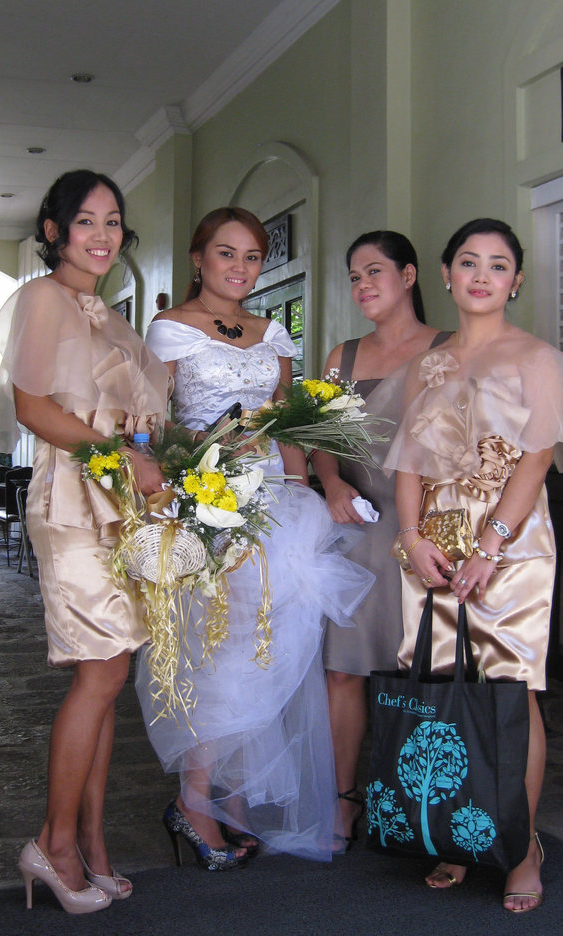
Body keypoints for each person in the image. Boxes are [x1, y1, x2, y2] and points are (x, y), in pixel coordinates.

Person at [385, 218, 563, 913]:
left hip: (509, 540)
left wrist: (490, 548)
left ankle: (521, 847)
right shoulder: (427, 364)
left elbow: (537, 460)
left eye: (498, 265)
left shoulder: (535, 359)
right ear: (446, 274)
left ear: (516, 281)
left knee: (512, 689)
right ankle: (459, 834)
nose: (482, 275)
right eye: (468, 261)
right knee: (443, 681)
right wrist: (410, 538)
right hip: (433, 538)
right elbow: (408, 460)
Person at [135, 207, 373, 868]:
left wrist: (300, 493)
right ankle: (194, 798)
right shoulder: (169, 330)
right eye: (226, 253)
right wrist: (202, 459)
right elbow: (155, 425)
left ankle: (234, 798)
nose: (240, 268)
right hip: (209, 499)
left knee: (267, 647)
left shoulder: (273, 333)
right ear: (198, 258)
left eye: (251, 257)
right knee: (217, 647)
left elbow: (287, 426)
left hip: (275, 503)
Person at [0, 170, 169, 913]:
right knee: (97, 672)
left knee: (111, 673)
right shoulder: (42, 298)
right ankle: (53, 844)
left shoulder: (114, 317)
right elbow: (33, 408)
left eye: (113, 221)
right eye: (86, 220)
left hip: (122, 503)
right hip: (70, 498)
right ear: (54, 230)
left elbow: (142, 421)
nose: (102, 234)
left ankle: (90, 841)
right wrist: (122, 455)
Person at [312, 231, 449, 847]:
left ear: (409, 276)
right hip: (358, 524)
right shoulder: (341, 358)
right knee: (343, 668)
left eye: (374, 271)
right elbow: (320, 441)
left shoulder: (449, 350)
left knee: (423, 671)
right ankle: (344, 802)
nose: (362, 284)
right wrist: (332, 483)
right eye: (353, 276)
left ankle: (418, 809)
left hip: (428, 531)